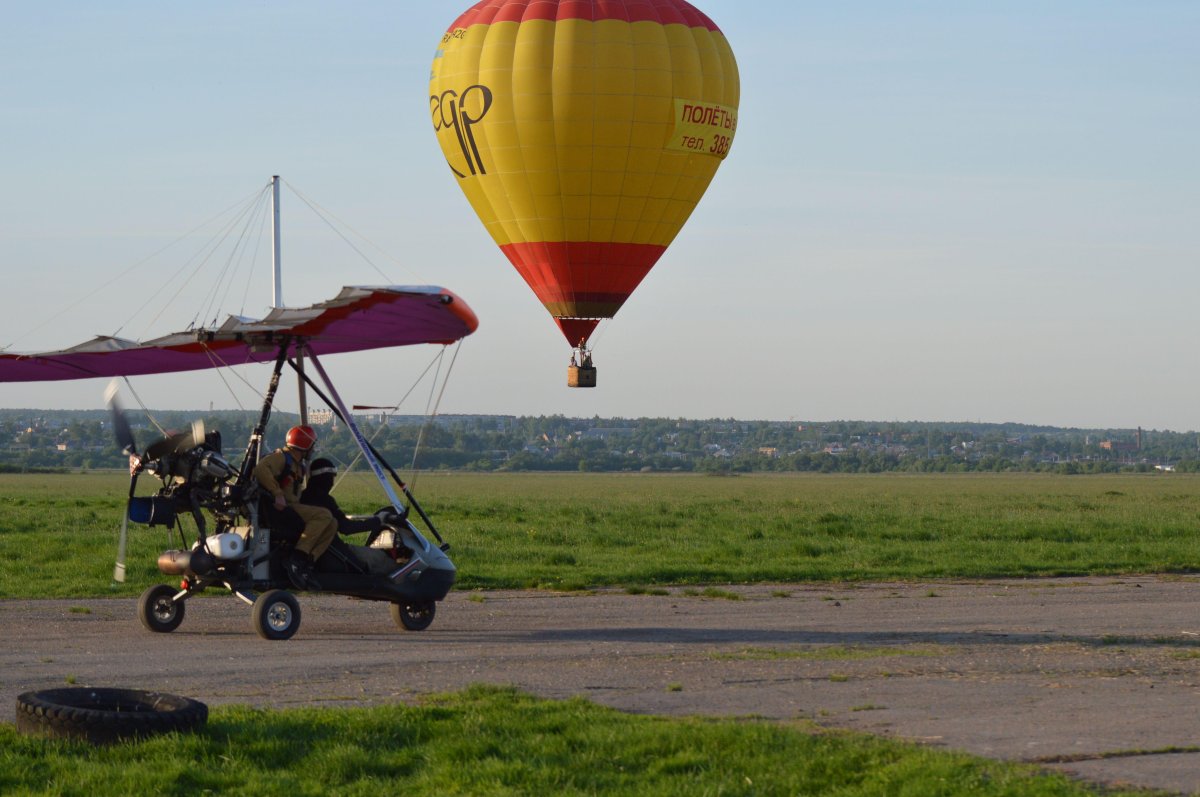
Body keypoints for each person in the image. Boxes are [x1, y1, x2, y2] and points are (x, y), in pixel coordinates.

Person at [253, 425, 337, 589]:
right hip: (283, 510)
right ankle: (297, 559)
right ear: (305, 446)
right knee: (324, 515)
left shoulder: (298, 465)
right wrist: (277, 493)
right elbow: (260, 469)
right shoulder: (282, 458)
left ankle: (308, 562)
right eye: (311, 445)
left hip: (293, 507)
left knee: (332, 523)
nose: (313, 449)